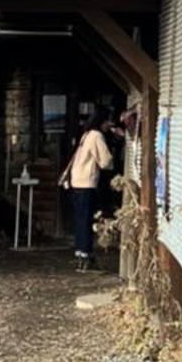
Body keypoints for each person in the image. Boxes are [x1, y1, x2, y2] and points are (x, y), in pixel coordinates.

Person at [60, 108, 114, 271]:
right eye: (107, 122)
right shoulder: (97, 136)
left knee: (80, 220)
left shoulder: (86, 135)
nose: (108, 126)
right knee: (86, 221)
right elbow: (105, 161)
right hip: (87, 183)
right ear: (102, 122)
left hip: (76, 182)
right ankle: (86, 255)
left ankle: (81, 253)